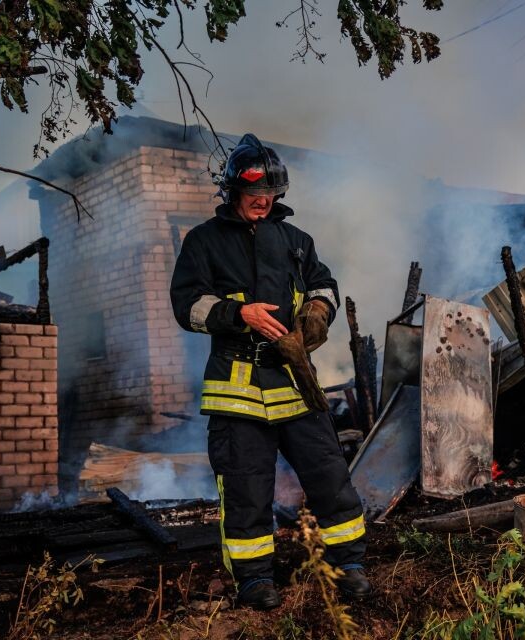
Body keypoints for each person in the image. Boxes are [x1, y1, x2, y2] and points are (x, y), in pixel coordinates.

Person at [169, 134, 370, 610]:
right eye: (255, 195)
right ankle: (255, 580)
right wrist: (239, 315)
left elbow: (325, 283)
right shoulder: (203, 242)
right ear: (232, 191)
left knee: (328, 475)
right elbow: (187, 307)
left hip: (294, 381)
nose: (264, 202)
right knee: (245, 487)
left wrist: (320, 309)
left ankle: (351, 565)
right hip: (236, 387)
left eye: (271, 195)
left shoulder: (297, 241)